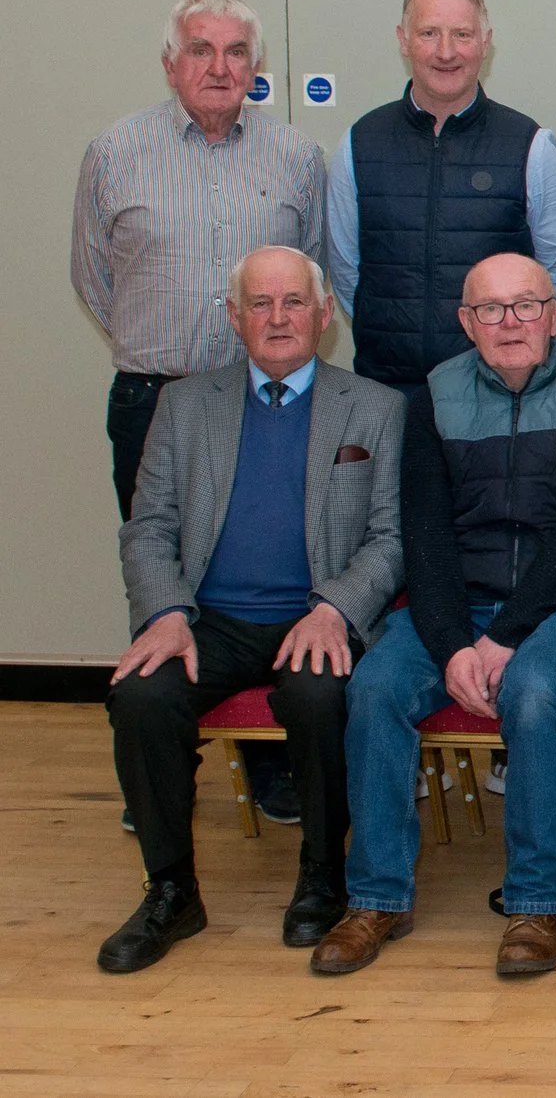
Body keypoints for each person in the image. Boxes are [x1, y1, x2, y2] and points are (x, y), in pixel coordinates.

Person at [313, 253, 556, 978]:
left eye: (526, 305)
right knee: (374, 690)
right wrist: (457, 643)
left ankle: (535, 902)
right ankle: (377, 897)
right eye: (491, 309)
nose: (510, 322)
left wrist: (504, 637)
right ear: (466, 322)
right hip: (454, 607)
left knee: (535, 691)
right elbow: (421, 534)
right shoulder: (430, 398)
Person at [98, 246, 404, 973]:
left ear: (324, 314)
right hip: (208, 621)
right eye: (260, 304)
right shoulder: (184, 403)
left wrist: (336, 606)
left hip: (315, 615)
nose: (278, 318)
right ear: (234, 317)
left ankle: (323, 879)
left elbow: (391, 536)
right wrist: (165, 613)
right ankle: (172, 890)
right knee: (140, 697)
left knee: (320, 693)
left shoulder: (377, 407)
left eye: (294, 302)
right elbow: (148, 526)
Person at [73, 0, 327, 823]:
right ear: (170, 61)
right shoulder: (116, 151)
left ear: (257, 67)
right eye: (200, 49)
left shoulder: (295, 156)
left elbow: (314, 270)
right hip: (157, 398)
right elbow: (95, 278)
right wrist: (167, 354)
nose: (218, 67)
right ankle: (160, 758)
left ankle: (273, 765)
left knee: (272, 575)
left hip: (273, 402)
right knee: (163, 573)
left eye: (235, 52)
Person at [325, 0, 556, 389]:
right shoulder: (358, 144)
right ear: (403, 40)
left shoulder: (532, 147)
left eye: (462, 34)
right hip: (389, 387)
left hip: (498, 387)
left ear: (485, 42)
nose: (446, 52)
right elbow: (348, 274)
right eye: (428, 33)